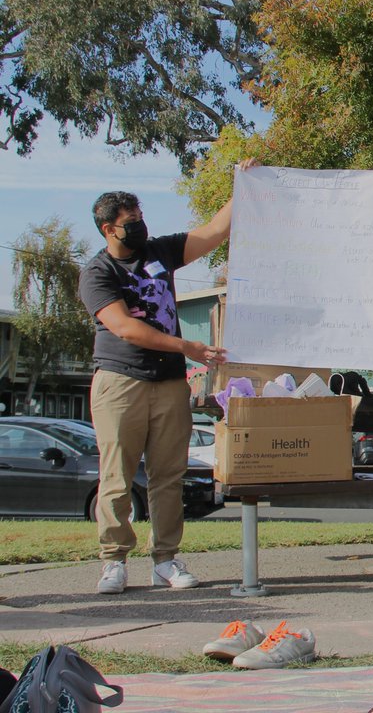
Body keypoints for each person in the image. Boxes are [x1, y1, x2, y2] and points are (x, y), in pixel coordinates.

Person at [78, 171, 242, 594]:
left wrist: (243, 185)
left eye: (140, 215)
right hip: (120, 382)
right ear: (108, 228)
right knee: (117, 475)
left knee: (169, 475)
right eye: (129, 219)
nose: (138, 224)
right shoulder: (97, 271)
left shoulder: (160, 251)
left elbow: (212, 233)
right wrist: (186, 346)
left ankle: (165, 560)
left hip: (169, 383)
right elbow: (125, 328)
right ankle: (113, 562)